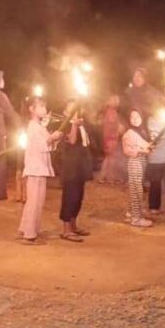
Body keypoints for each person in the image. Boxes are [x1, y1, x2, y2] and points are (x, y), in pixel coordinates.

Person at [17, 96, 63, 244]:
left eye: (44, 106)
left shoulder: (39, 126)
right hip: (35, 168)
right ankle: (29, 234)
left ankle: (27, 229)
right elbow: (41, 145)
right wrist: (52, 138)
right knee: (34, 202)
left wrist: (54, 138)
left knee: (36, 201)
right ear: (32, 109)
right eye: (41, 106)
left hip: (40, 168)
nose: (44, 109)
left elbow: (49, 144)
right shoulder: (32, 127)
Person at [58, 103, 93, 241]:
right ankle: (66, 229)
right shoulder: (65, 124)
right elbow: (72, 140)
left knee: (78, 196)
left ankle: (73, 225)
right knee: (69, 196)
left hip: (80, 165)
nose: (75, 110)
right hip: (70, 166)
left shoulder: (81, 124)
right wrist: (73, 123)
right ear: (65, 111)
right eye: (71, 107)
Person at [121, 109, 153, 227]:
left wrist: (150, 146)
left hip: (142, 162)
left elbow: (147, 146)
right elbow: (127, 150)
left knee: (136, 189)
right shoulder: (129, 133)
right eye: (132, 117)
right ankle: (136, 219)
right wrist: (142, 151)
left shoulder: (141, 131)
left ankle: (130, 213)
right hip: (135, 163)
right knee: (136, 191)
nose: (135, 120)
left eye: (137, 117)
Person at [96, 94, 126, 184]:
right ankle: (111, 177)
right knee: (112, 156)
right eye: (116, 100)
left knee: (109, 156)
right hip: (111, 136)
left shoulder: (109, 111)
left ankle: (103, 176)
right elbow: (112, 123)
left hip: (109, 135)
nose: (118, 102)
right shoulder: (111, 111)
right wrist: (118, 127)